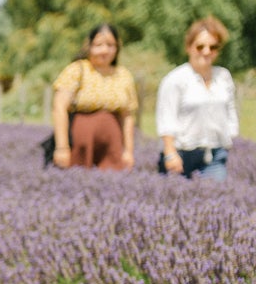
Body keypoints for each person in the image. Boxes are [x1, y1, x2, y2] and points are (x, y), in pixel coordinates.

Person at [157, 17, 238, 181]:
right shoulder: (175, 79)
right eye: (200, 46)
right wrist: (170, 152)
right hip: (182, 153)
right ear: (189, 47)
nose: (207, 51)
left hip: (214, 154)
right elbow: (166, 118)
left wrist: (229, 137)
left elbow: (230, 111)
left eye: (213, 47)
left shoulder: (223, 76)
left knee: (217, 198)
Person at [50, 24, 137, 171]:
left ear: (117, 48)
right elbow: (59, 108)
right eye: (98, 45)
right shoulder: (77, 70)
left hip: (112, 147)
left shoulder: (123, 75)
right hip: (80, 144)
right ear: (89, 46)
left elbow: (127, 116)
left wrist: (128, 151)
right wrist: (62, 147)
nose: (104, 50)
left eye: (110, 45)